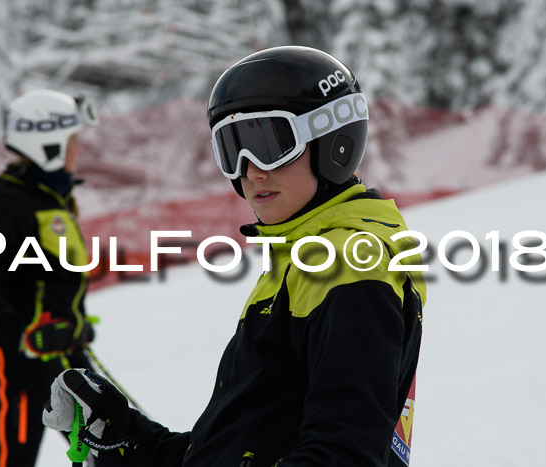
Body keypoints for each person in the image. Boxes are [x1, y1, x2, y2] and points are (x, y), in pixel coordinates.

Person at [42, 46, 426, 467]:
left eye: (270, 144)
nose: (251, 171)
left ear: (333, 140)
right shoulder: (302, 265)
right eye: (232, 149)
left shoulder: (349, 266)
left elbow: (342, 452)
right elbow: (233, 449)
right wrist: (125, 436)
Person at [0, 89, 99, 467]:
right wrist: (23, 335)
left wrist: (74, 325)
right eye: (73, 142)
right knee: (17, 454)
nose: (80, 151)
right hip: (21, 359)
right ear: (49, 145)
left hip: (62, 348)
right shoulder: (9, 204)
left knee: (103, 440)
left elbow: (52, 277)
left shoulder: (51, 197)